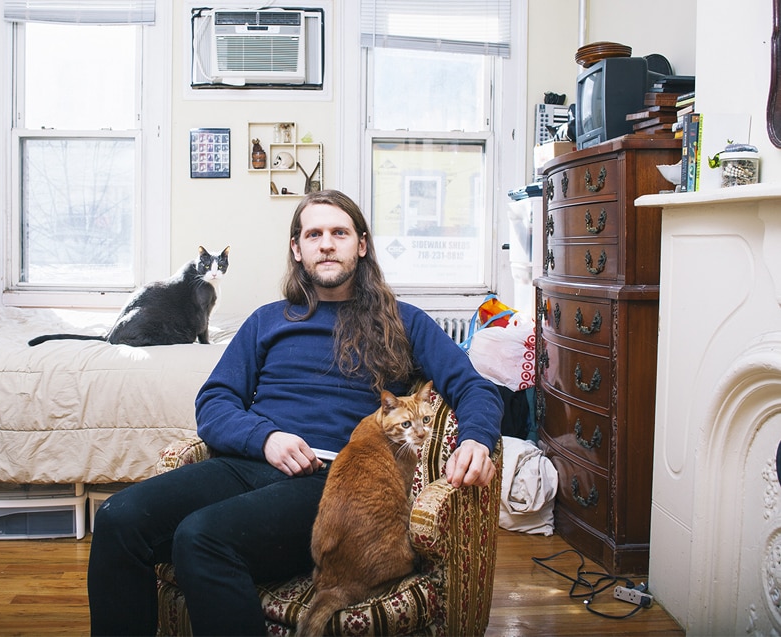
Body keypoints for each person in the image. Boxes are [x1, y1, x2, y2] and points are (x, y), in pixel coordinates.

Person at [87, 189, 504, 636]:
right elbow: (214, 401)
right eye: (314, 234)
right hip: (246, 462)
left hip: (327, 483)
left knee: (200, 538)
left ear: (360, 245)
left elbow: (474, 386)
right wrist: (265, 438)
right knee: (116, 519)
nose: (326, 243)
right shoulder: (267, 320)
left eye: (339, 233)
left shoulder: (404, 321)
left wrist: (477, 439)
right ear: (298, 249)